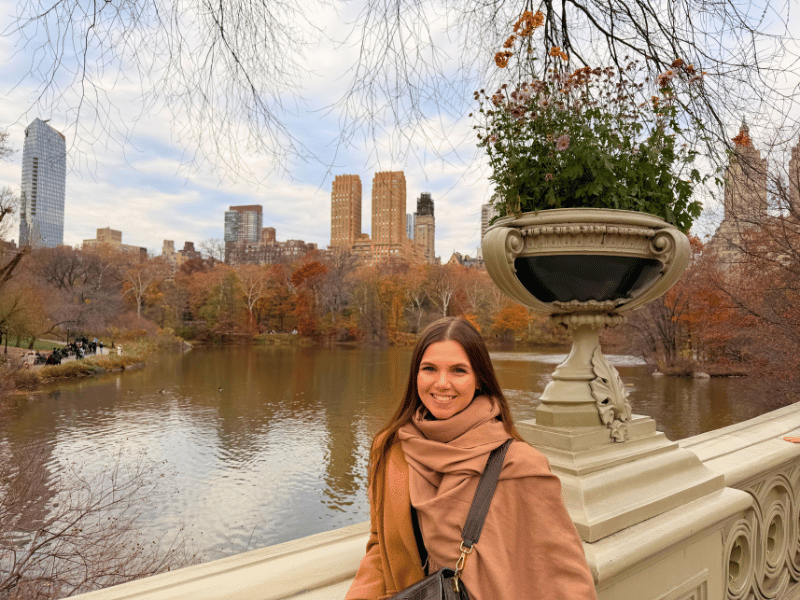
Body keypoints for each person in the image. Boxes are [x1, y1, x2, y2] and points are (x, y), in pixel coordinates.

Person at [345, 317, 597, 600]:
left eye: (458, 371)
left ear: (479, 380)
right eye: (429, 369)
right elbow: (381, 546)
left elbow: (564, 574)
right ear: (415, 375)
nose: (442, 384)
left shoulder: (520, 464)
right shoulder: (392, 451)